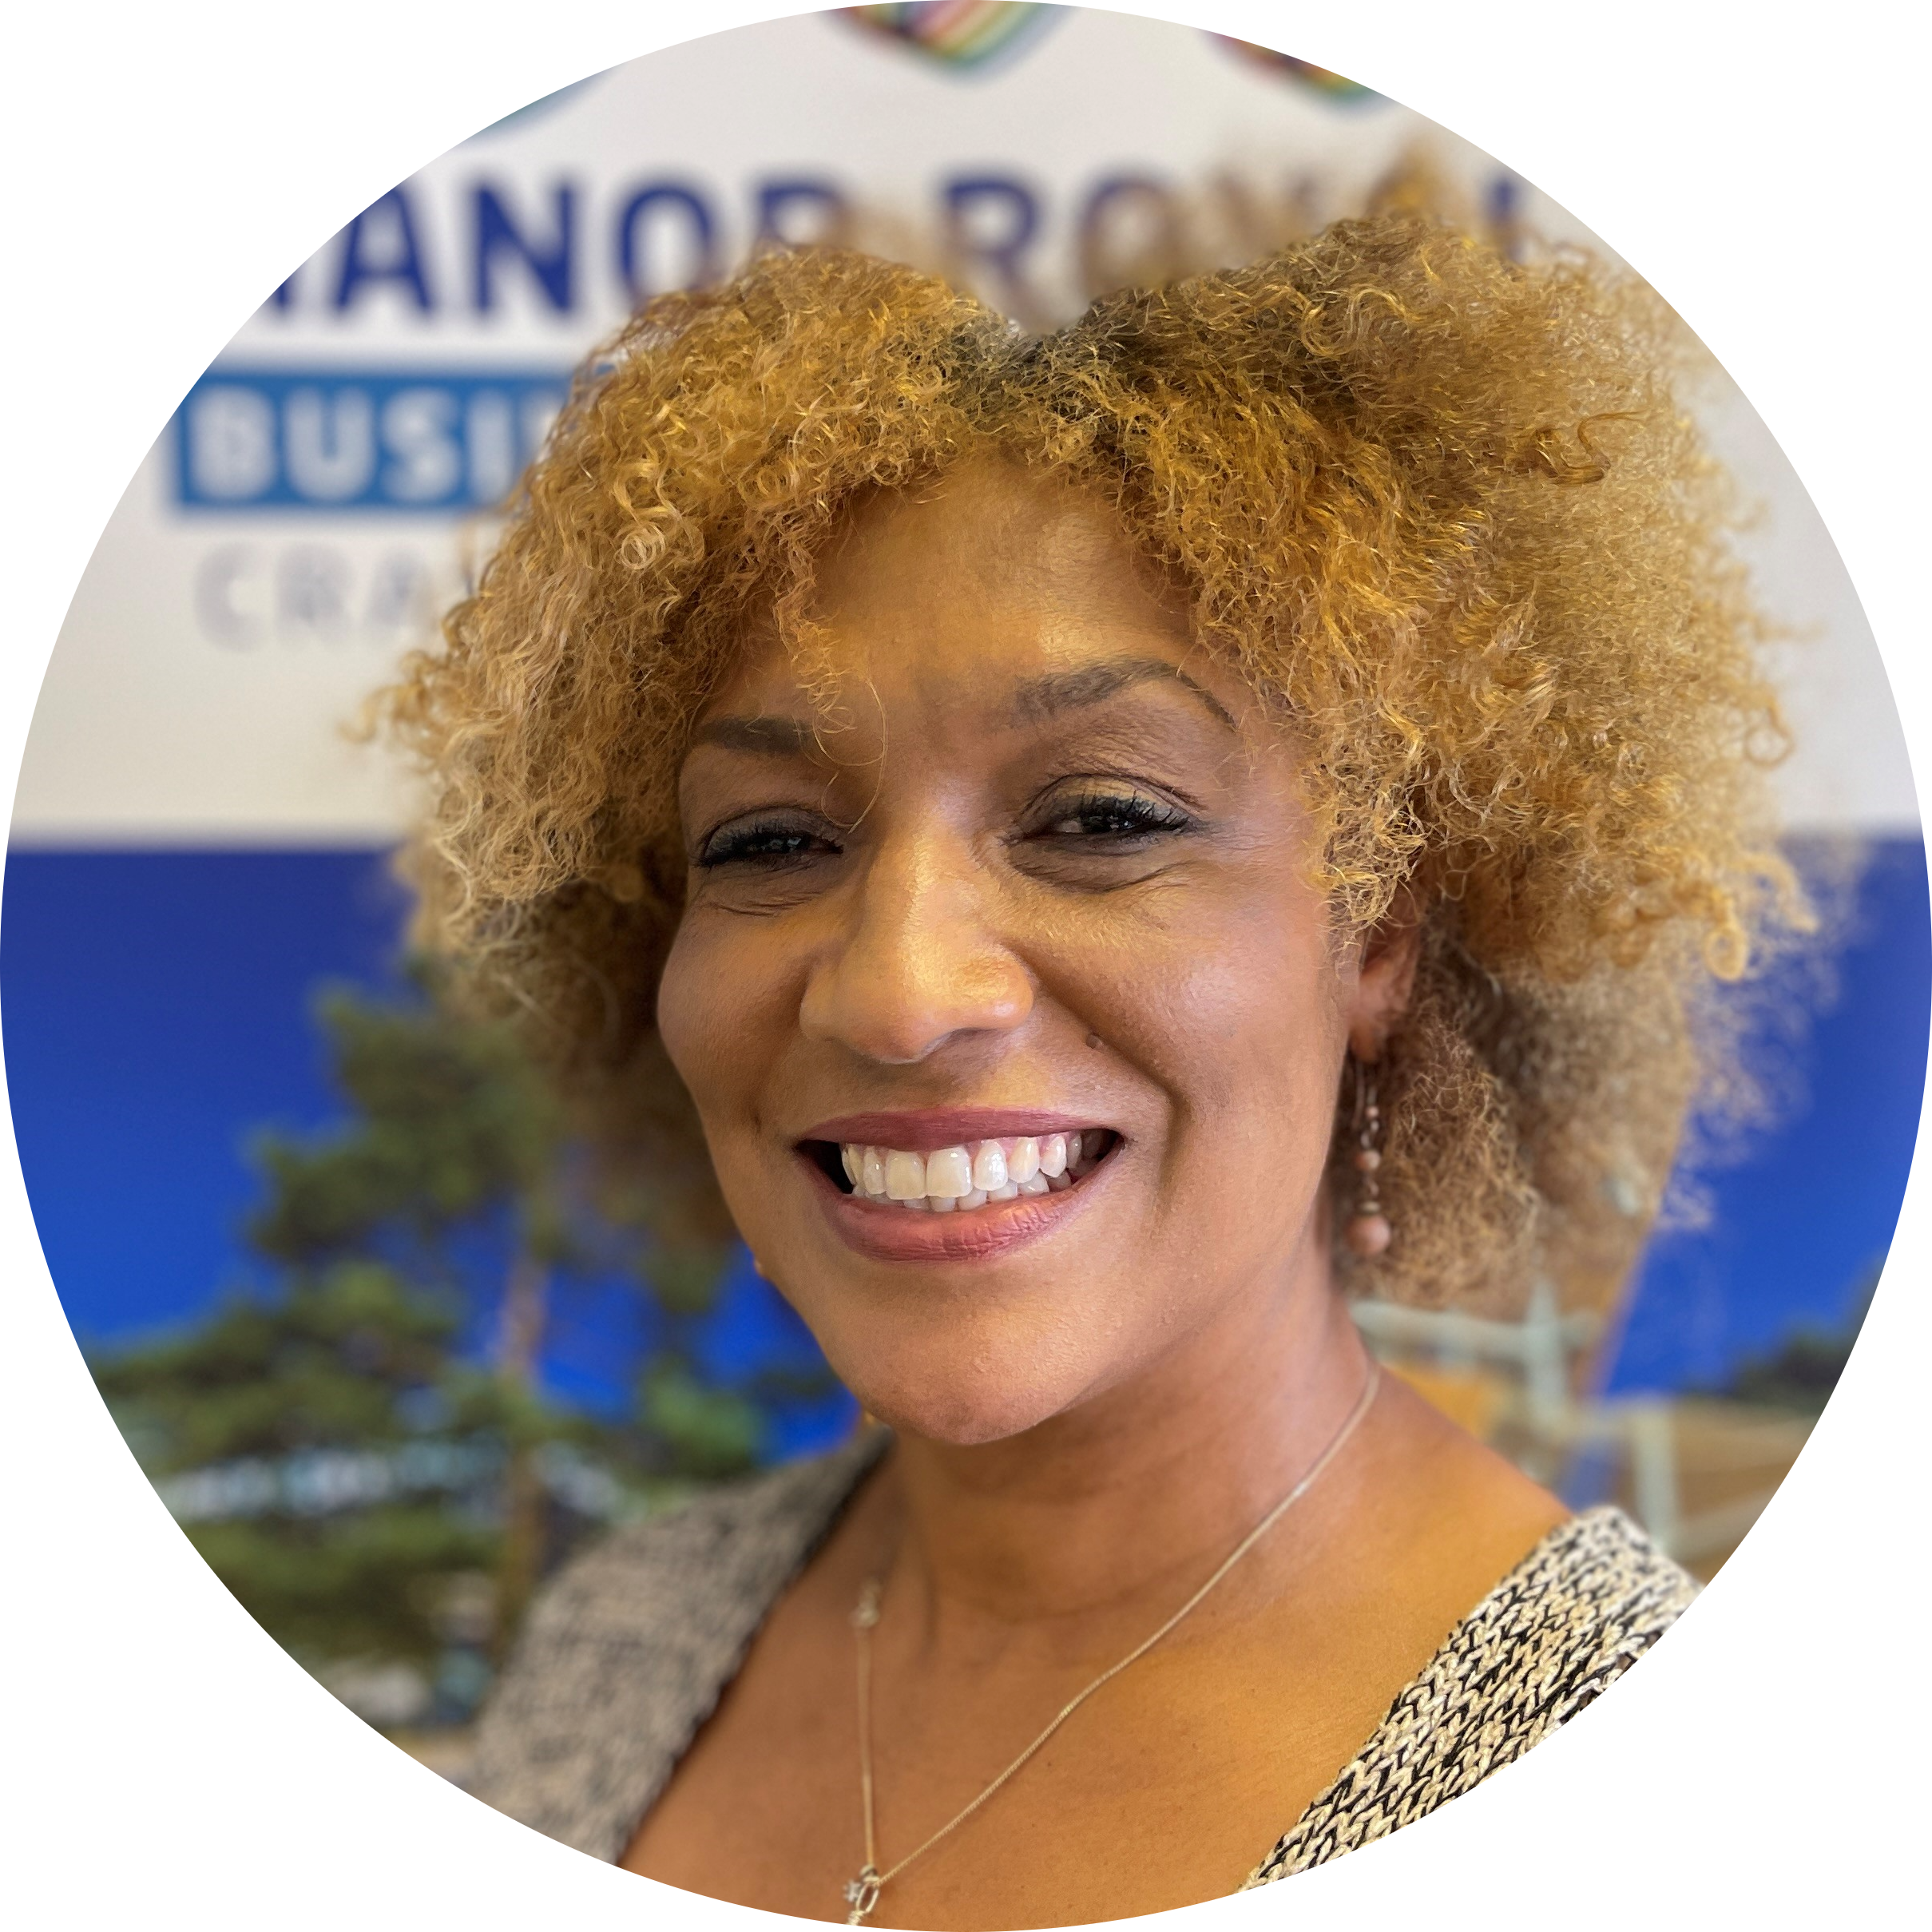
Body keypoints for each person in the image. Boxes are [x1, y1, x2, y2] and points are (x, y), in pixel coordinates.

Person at [381, 216, 1798, 1923]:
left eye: (1104, 817)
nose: (900, 994)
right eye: (768, 839)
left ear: (1379, 936)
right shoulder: (626, 1630)